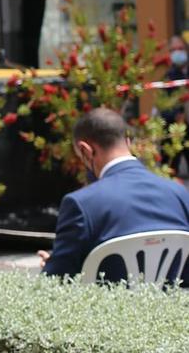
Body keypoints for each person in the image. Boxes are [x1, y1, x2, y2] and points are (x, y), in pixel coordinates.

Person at [40, 104, 189, 277]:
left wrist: (51, 265)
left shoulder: (80, 204)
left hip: (109, 303)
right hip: (174, 303)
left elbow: (58, 278)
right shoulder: (179, 193)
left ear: (85, 150)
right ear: (127, 141)